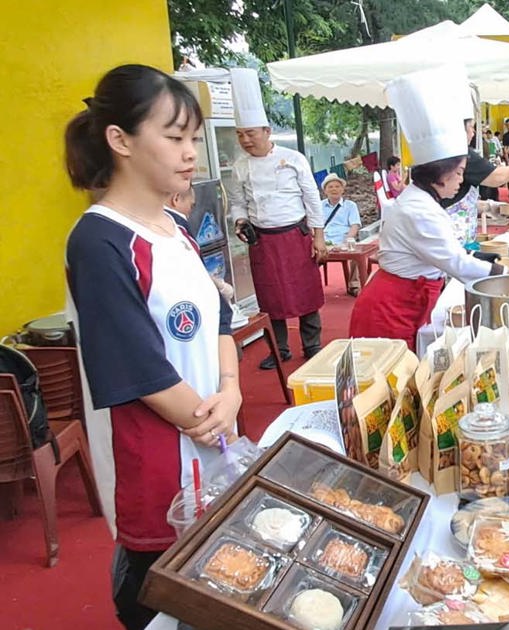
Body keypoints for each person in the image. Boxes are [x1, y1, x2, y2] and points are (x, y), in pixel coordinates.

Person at [63, 64, 241, 630]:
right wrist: (211, 417)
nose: (191, 153)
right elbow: (136, 366)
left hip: (216, 436)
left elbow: (219, 314)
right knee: (165, 594)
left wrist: (233, 391)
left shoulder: (173, 225)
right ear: (119, 140)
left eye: (193, 138)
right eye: (174, 137)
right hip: (162, 467)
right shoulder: (100, 239)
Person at [348, 65, 509, 350]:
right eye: (459, 172)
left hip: (409, 300)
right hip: (390, 309)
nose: (462, 179)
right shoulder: (418, 209)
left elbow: (450, 252)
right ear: (440, 173)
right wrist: (508, 275)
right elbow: (455, 262)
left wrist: (483, 257)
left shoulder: (424, 200)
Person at [226, 68, 325, 370]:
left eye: (251, 133)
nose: (245, 140)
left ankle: (312, 345)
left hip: (295, 234)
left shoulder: (294, 159)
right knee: (270, 297)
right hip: (263, 240)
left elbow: (311, 198)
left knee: (305, 292)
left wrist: (318, 237)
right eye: (240, 134)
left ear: (267, 132)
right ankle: (279, 348)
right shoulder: (239, 167)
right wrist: (240, 223)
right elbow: (238, 204)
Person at [441, 114, 509, 244]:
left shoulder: (449, 152)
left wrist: (486, 206)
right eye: (471, 127)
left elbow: (458, 199)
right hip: (450, 232)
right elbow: (496, 177)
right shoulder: (461, 154)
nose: (474, 132)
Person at [319, 173, 363, 295]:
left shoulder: (350, 206)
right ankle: (311, 288)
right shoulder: (319, 206)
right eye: (331, 186)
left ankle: (354, 285)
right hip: (325, 240)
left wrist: (347, 240)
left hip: (344, 240)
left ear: (343, 189)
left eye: (337, 186)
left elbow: (355, 225)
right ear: (325, 190)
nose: (334, 189)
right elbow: (314, 226)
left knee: (356, 254)